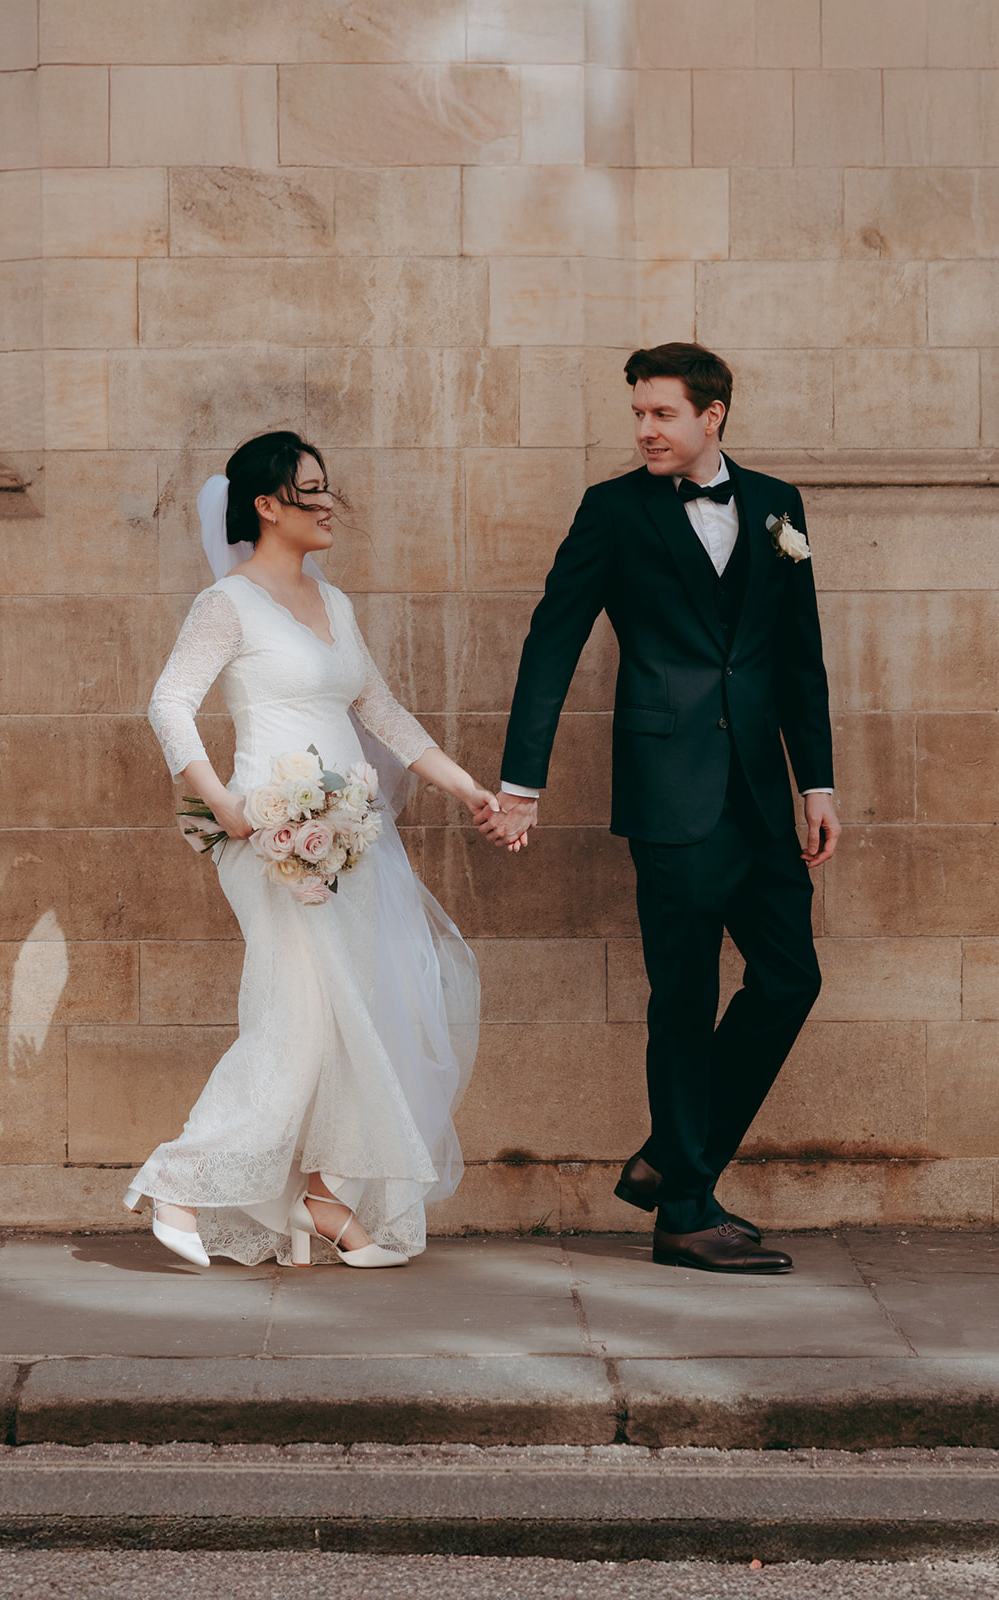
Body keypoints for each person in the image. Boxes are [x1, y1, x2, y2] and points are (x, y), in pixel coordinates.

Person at [479, 343, 840, 1275]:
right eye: (637, 414)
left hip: (761, 796)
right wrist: (523, 782)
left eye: (661, 414)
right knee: (681, 998)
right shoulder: (612, 511)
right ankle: (683, 1211)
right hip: (668, 794)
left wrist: (816, 783)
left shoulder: (773, 506)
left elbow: (797, 656)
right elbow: (550, 643)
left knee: (789, 979)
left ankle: (670, 1161)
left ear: (710, 415)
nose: (643, 429)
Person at [125, 430, 496, 1269]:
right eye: (310, 490)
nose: (329, 503)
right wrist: (224, 802)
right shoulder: (228, 603)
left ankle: (325, 1199)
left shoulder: (338, 608)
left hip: (350, 835)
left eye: (327, 488)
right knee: (295, 1020)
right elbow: (169, 702)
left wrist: (468, 787)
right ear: (265, 506)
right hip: (270, 835)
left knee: (354, 1016)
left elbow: (386, 716)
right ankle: (180, 1180)